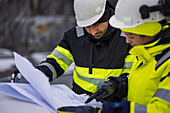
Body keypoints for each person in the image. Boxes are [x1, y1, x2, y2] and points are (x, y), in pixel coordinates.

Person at [57, 0, 170, 112]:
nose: (126, 40)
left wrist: (108, 110)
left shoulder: (165, 61)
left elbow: (161, 109)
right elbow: (141, 87)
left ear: (148, 30)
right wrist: (116, 86)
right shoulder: (147, 53)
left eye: (130, 36)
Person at [11, 0, 134, 96]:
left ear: (107, 14)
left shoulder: (127, 38)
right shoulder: (74, 37)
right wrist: (35, 76)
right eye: (87, 26)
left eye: (97, 24)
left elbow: (131, 76)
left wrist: (115, 86)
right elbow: (56, 63)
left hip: (114, 105)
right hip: (79, 103)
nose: (92, 32)